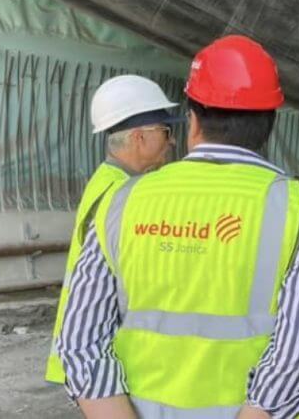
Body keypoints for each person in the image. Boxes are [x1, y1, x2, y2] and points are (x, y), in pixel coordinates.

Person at [57, 35, 299, 419]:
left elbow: (80, 344)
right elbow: (291, 362)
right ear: (270, 121)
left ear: (193, 119)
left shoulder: (121, 202)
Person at [45, 74, 181, 385]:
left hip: (91, 354)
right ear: (139, 137)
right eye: (166, 131)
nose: (172, 140)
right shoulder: (121, 195)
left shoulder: (109, 181)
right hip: (98, 358)